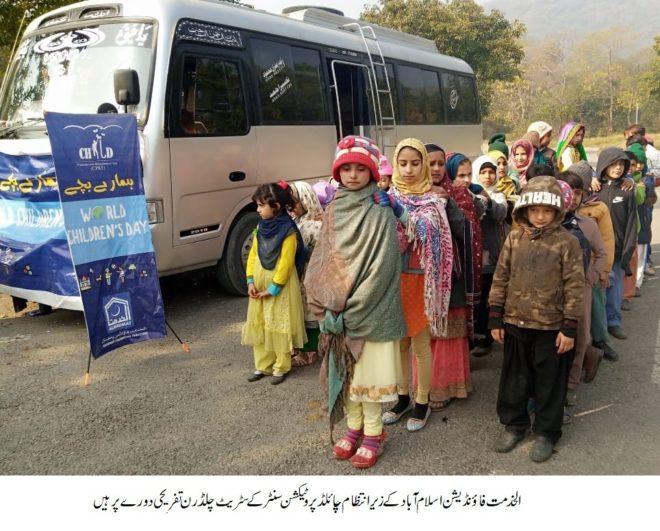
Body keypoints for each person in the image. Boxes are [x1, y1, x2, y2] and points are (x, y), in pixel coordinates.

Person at [304, 135, 406, 468]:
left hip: (372, 307)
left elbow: (384, 262)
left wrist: (359, 302)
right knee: (348, 377)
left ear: (372, 172)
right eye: (345, 168)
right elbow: (325, 257)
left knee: (369, 378)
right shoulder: (335, 207)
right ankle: (353, 428)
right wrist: (329, 302)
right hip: (339, 308)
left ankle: (374, 433)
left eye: (359, 169)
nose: (351, 175)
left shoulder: (380, 207)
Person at [489, 175, 584, 463]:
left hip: (551, 327)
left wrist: (569, 326)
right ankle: (514, 425)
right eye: (534, 210)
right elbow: (501, 275)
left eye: (547, 211)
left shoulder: (567, 242)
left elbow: (575, 286)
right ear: (524, 211)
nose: (540, 216)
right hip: (515, 322)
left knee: (549, 383)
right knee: (514, 381)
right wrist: (495, 316)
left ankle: (545, 433)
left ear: (557, 212)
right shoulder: (514, 238)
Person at [382, 138, 454, 431]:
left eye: (415, 163)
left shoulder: (434, 199)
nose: (409, 169)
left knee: (421, 345)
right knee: (398, 344)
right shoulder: (386, 196)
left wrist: (397, 210)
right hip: (392, 280)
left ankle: (422, 402)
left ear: (424, 164)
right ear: (395, 165)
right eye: (402, 163)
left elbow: (425, 229)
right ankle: (402, 399)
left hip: (420, 281)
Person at [417, 144, 479, 409]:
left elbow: (468, 230)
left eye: (440, 163)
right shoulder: (405, 195)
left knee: (448, 336)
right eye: (429, 163)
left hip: (450, 277)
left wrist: (446, 202)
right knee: (422, 336)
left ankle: (446, 387)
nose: (436, 169)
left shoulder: (457, 194)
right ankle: (421, 387)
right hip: (418, 277)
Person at [241, 181, 307, 385]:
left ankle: (281, 366)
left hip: (280, 288)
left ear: (276, 207)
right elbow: (253, 254)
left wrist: (273, 288)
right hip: (259, 286)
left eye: (261, 205)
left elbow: (287, 263)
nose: (258, 210)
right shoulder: (260, 227)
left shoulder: (288, 231)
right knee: (260, 324)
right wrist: (250, 280)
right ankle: (263, 365)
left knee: (279, 325)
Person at [558, 172, 607, 410]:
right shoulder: (547, 223)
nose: (574, 197)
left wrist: (590, 277)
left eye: (578, 192)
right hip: (554, 293)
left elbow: (602, 253)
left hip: (582, 290)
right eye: (570, 191)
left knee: (580, 338)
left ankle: (570, 387)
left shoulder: (587, 224)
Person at [571, 161, 619, 362]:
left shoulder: (598, 207)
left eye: (579, 190)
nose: (574, 197)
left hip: (591, 267)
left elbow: (606, 240)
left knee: (596, 307)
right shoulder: (559, 208)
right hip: (569, 270)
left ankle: (600, 342)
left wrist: (603, 271)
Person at [595, 148, 637, 342]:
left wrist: (628, 252)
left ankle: (613, 322)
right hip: (598, 251)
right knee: (598, 289)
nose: (618, 168)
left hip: (619, 251)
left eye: (621, 164)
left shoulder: (628, 191)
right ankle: (598, 324)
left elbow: (631, 225)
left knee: (615, 288)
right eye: (613, 164)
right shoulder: (594, 190)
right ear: (603, 165)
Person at [471, 155, 508, 357]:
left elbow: (501, 213)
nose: (487, 176)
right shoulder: (469, 192)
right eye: (483, 172)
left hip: (491, 256)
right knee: (475, 297)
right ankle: (475, 335)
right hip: (472, 255)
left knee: (488, 296)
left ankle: (486, 337)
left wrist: (488, 199)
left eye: (491, 172)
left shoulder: (499, 194)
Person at [289, 180, 323, 368]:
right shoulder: (299, 221)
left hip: (312, 275)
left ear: (306, 200)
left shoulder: (314, 224)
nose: (292, 208)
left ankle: (311, 350)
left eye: (295, 203)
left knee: (311, 311)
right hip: (301, 274)